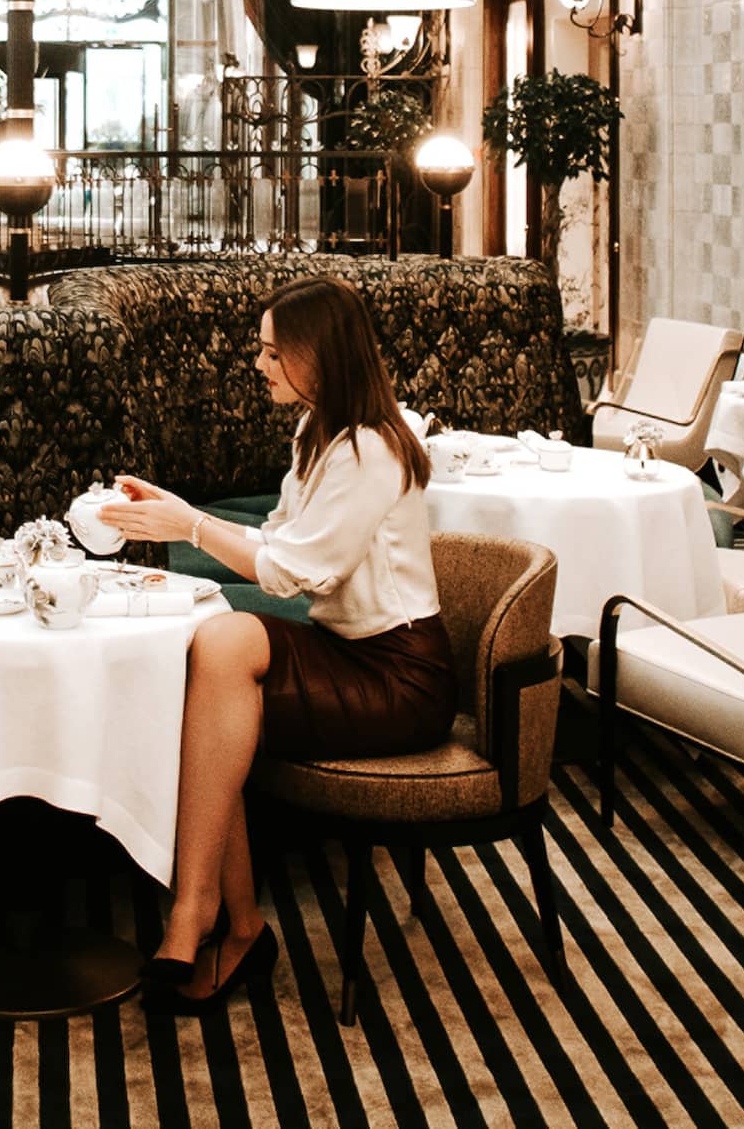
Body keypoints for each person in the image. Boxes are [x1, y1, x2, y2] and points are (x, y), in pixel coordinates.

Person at [99, 274, 455, 1013]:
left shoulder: (372, 450)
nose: (258, 365)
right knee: (215, 650)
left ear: (317, 358)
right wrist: (183, 514)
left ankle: (204, 915)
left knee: (223, 646)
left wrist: (187, 526)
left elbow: (292, 573)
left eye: (270, 352)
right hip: (350, 653)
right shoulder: (317, 432)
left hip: (400, 677)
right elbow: (283, 541)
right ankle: (229, 921)